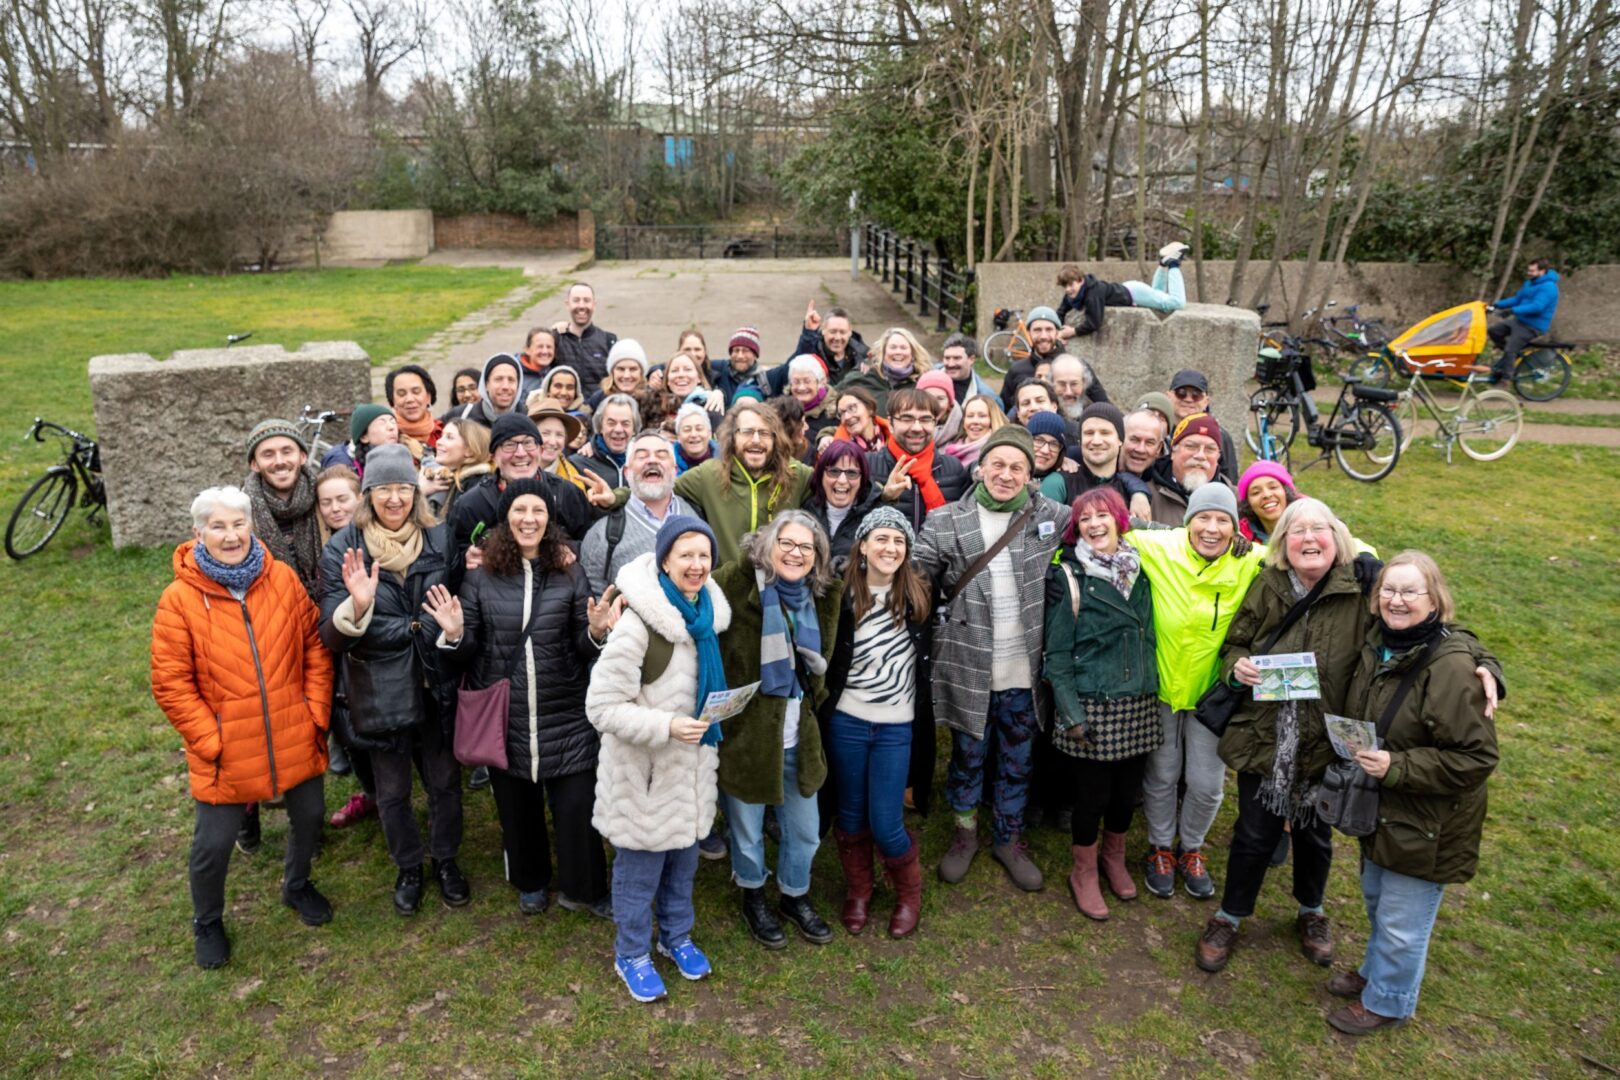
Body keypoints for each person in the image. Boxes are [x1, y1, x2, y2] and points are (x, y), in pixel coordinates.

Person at [151, 485, 335, 969]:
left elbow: (315, 648)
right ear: (198, 533)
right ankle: (207, 920)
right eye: (218, 526)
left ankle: (296, 885)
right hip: (226, 749)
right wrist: (209, 738)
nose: (230, 536)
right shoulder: (179, 600)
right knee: (212, 846)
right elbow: (171, 683)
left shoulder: (283, 579)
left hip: (294, 730)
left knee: (311, 817)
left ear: (251, 526)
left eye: (238, 524)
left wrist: (315, 711)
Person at [1327, 552, 1499, 1035]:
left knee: (1404, 918)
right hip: (1389, 809)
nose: (1396, 601)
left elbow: (1475, 759)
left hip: (1428, 819)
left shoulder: (1452, 668)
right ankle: (1375, 975)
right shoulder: (1381, 642)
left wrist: (1396, 766)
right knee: (1380, 898)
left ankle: (1388, 1000)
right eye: (1388, 590)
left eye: (1409, 592)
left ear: (1434, 601)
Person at [437, 478, 618, 918]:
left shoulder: (570, 572)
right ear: (505, 519)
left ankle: (586, 887)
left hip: (567, 711)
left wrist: (595, 632)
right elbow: (467, 651)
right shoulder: (480, 579)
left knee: (577, 809)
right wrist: (455, 634)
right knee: (518, 811)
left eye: (538, 511)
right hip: (507, 716)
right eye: (519, 510)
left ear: (549, 520)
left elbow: (582, 646)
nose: (529, 519)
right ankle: (531, 880)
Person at [914, 426, 1071, 892]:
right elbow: (917, 572)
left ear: (1031, 475)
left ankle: (1008, 836)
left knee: (1018, 759)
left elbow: (1111, 528)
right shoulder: (946, 521)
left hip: (1023, 669)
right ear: (980, 467)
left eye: (1017, 468)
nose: (1005, 475)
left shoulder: (1054, 515)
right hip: (969, 665)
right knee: (968, 755)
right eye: (997, 464)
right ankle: (964, 834)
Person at [585, 517, 731, 1003]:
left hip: (689, 776)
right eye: (686, 555)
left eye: (704, 556)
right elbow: (601, 706)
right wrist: (664, 726)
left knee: (683, 865)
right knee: (639, 873)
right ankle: (631, 953)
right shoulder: (640, 623)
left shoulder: (705, 616)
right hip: (644, 778)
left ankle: (676, 936)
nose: (696, 565)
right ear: (665, 560)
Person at [319, 444, 467, 915]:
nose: (394, 498)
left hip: (434, 682)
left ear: (415, 491)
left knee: (444, 783)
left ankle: (445, 860)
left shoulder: (441, 539)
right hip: (379, 690)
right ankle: (408, 866)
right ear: (367, 495)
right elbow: (331, 635)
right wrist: (359, 607)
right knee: (393, 790)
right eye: (383, 489)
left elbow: (457, 603)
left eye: (402, 487)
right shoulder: (343, 548)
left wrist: (451, 629)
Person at [713, 511, 844, 949]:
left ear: (817, 558)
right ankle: (753, 895)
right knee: (747, 830)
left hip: (799, 731)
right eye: (786, 543)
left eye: (806, 547)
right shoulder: (736, 583)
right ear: (768, 545)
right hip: (748, 734)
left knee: (805, 829)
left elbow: (821, 664)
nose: (795, 553)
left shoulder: (822, 596)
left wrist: (812, 701)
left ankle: (794, 895)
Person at [1130, 483, 1263, 901]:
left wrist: (1367, 561)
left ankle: (1191, 849)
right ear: (1188, 522)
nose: (1211, 528)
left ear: (1235, 527)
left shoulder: (1251, 561)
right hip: (1163, 690)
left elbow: (1317, 545)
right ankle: (1160, 847)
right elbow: (1110, 528)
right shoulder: (1160, 548)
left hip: (1212, 696)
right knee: (1163, 774)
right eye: (1203, 518)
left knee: (1206, 784)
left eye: (1222, 520)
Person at [1043, 486, 1161, 921]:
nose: (1094, 525)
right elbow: (1056, 654)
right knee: (1091, 798)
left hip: (1139, 700)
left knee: (1126, 795)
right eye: (1085, 519)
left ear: (1119, 519)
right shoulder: (1069, 576)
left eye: (1102, 515)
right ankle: (1084, 871)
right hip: (1094, 703)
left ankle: (1114, 859)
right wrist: (1070, 713)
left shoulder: (1145, 567)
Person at [822, 507, 931, 938]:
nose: (890, 548)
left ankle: (908, 895)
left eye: (899, 541)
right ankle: (859, 891)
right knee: (849, 815)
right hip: (847, 721)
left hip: (896, 726)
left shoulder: (919, 597)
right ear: (863, 545)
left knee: (886, 821)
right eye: (881, 539)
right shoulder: (839, 597)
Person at [448, 414, 605, 571]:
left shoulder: (567, 493)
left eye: (529, 443)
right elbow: (452, 557)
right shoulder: (471, 504)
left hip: (556, 590)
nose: (521, 453)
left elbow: (590, 544)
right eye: (509, 444)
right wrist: (465, 558)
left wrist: (570, 549)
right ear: (493, 456)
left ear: (540, 450)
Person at [315, 466, 380, 829]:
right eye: (326, 502)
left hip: (373, 649)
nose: (335, 508)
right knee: (347, 724)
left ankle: (384, 793)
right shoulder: (323, 545)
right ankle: (369, 790)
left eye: (343, 499)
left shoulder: (373, 541)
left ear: (359, 498)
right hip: (334, 643)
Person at [672, 401, 813, 562]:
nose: (756, 439)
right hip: (726, 584)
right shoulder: (709, 474)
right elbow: (659, 491)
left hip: (780, 583)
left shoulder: (796, 474)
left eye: (765, 433)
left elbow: (835, 482)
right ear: (732, 437)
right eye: (747, 432)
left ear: (776, 439)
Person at [581, 432, 694, 597]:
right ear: (626, 472)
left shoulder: (695, 515)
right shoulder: (602, 535)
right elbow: (594, 599)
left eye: (661, 455)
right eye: (642, 456)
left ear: (675, 470)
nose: (652, 460)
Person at [869, 387, 971, 535]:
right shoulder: (868, 465)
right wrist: (884, 498)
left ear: (935, 423)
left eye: (925, 419)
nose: (917, 428)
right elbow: (851, 524)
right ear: (890, 424)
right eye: (907, 419)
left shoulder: (953, 469)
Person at [244, 419, 323, 600]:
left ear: (302, 456)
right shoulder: (241, 512)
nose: (279, 461)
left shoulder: (325, 498)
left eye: (287, 451)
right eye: (268, 454)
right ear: (254, 464)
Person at [1056, 243, 1189, 340]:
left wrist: (1073, 331)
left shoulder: (1092, 293)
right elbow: (1061, 312)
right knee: (1159, 296)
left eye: (1071, 284)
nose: (1068, 289)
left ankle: (1172, 264)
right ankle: (1163, 264)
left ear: (1080, 280)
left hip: (1135, 294)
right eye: (1065, 286)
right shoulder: (1074, 294)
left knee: (1176, 303)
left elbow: (1094, 322)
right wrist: (1056, 332)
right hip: (1129, 289)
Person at [1000, 307, 1109, 413]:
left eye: (1049, 329)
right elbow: (1004, 411)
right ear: (1029, 333)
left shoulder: (1077, 367)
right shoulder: (1016, 370)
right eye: (1037, 330)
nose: (1043, 336)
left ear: (1057, 333)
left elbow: (1104, 405)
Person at [802, 438, 879, 570]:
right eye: (834, 471)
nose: (842, 480)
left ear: (862, 479)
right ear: (821, 475)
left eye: (852, 473)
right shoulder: (805, 514)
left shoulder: (876, 518)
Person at [1146, 413, 1235, 527]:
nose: (1200, 455)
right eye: (1191, 446)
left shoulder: (1235, 498)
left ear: (1218, 457)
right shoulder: (1146, 495)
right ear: (1173, 451)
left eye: (1210, 449)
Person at [773, 299, 869, 394]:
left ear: (850, 332)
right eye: (833, 331)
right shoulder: (812, 351)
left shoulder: (864, 355)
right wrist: (808, 333)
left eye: (842, 332)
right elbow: (790, 369)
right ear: (823, 330)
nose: (837, 337)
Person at [1488, 258, 1560, 382]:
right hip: (1520, 321)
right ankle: (1509, 358)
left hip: (1533, 326)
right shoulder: (1530, 283)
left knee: (1511, 348)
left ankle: (1506, 379)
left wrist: (1513, 311)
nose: (1529, 273)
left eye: (1532, 271)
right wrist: (1496, 305)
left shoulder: (1549, 287)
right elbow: (1517, 299)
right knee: (1494, 331)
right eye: (1529, 270)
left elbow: (1537, 307)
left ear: (1542, 271)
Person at [836, 327, 932, 415]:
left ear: (912, 354)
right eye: (893, 347)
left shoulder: (923, 382)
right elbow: (833, 396)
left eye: (903, 348)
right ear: (883, 352)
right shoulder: (865, 374)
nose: (898, 352)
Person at [1168, 370, 1238, 482]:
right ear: (1169, 396)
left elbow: (1230, 479)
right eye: (1181, 393)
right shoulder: (1160, 431)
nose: (1188, 399)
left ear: (1206, 401)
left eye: (1196, 395)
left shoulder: (1221, 436)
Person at [420, 417, 492, 521]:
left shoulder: (477, 486)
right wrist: (422, 490)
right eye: (441, 436)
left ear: (469, 450)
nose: (438, 442)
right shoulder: (443, 477)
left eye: (449, 437)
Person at [552, 282, 617, 389]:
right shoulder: (556, 339)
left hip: (598, 405)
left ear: (594, 305)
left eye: (586, 300)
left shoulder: (609, 341)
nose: (581, 306)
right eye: (576, 300)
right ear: (567, 304)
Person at [571, 393, 640, 488]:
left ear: (634, 429)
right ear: (600, 427)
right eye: (611, 423)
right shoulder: (577, 464)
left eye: (625, 424)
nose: (618, 429)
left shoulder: (644, 462)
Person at [528, 396, 591, 492]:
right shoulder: (507, 469)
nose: (553, 442)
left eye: (559, 435)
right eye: (545, 433)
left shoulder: (573, 479)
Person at [321, 402, 399, 477]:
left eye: (393, 421)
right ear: (364, 437)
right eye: (382, 423)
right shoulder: (340, 463)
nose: (391, 427)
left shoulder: (398, 454)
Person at [1236, 460, 1299, 542]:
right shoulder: (1238, 538)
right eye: (1256, 493)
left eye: (1273, 487)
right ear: (1247, 503)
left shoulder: (1311, 529)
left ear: (1287, 492)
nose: (1266, 495)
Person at [387, 364, 443, 456]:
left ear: (429, 396)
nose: (409, 399)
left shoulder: (442, 433)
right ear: (392, 401)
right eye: (401, 394)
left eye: (416, 392)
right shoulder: (386, 438)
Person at [786, 355, 840, 447]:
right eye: (796, 382)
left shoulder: (835, 411)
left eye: (807, 381)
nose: (801, 387)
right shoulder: (782, 409)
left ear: (820, 382)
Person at [943, 393, 1008, 469]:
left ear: (992, 420)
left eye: (982, 416)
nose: (975, 421)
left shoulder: (999, 452)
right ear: (964, 422)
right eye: (970, 416)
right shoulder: (948, 448)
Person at [460, 353, 524, 429]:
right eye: (499, 379)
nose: (505, 386)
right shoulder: (463, 415)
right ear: (486, 385)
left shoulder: (531, 417)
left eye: (511, 380)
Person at [711, 326, 770, 404]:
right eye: (736, 350)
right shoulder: (720, 369)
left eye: (745, 351)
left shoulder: (765, 379)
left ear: (755, 355)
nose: (740, 356)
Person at [587, 339, 648, 412]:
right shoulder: (598, 400)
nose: (626, 376)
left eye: (633, 369)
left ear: (641, 372)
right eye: (621, 369)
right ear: (612, 372)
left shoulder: (651, 400)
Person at [939, 332, 997, 405]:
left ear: (971, 359)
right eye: (947, 358)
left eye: (957, 358)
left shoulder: (986, 396)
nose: (951, 364)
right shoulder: (928, 376)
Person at [830, 387, 890, 452]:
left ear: (870, 408)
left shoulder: (894, 435)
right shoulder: (837, 452)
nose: (846, 417)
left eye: (852, 408)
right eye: (841, 413)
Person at [916, 370, 963, 445]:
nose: (934, 404)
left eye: (940, 399)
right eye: (928, 398)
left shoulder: (964, 431)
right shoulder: (903, 429)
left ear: (949, 403)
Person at [1121, 407, 1167, 478]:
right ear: (1120, 438)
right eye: (1135, 440)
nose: (1141, 449)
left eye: (1149, 443)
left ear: (1159, 448)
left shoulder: (1159, 482)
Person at [672, 403, 717, 474]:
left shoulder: (726, 459)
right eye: (687, 430)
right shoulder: (669, 464)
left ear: (709, 434)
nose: (693, 434)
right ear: (678, 437)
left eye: (699, 429)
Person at [516, 327, 558, 402]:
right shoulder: (515, 374)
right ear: (527, 350)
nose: (545, 351)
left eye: (549, 347)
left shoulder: (557, 374)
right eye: (540, 347)